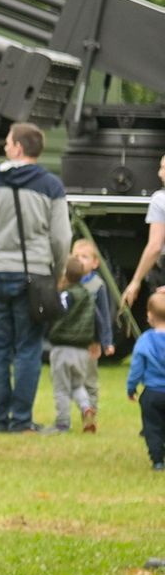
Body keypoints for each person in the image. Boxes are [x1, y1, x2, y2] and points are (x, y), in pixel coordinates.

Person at [0, 122, 71, 435]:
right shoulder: (51, 184)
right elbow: (61, 237)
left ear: (18, 147)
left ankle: (0, 419)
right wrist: (57, 272)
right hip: (34, 274)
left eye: (8, 142)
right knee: (28, 348)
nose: (5, 147)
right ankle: (21, 419)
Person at [46, 255, 99, 434]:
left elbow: (57, 313)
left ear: (65, 275)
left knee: (61, 388)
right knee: (77, 385)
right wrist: (97, 340)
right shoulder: (88, 296)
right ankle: (87, 408)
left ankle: (62, 423)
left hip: (62, 348)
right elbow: (97, 319)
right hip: (82, 350)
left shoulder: (65, 295)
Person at [71, 238, 116, 433]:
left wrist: (105, 342)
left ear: (95, 262)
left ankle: (90, 416)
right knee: (71, 380)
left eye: (85, 257)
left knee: (89, 380)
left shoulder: (98, 286)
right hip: (70, 341)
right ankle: (81, 409)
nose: (80, 260)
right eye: (76, 256)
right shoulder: (67, 282)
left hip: (90, 342)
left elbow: (104, 317)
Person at [120, 154, 165, 312]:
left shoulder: (160, 200)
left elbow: (155, 246)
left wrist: (135, 281)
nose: (159, 173)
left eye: (163, 168)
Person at [126, 289, 165, 471]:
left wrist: (131, 387)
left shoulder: (145, 340)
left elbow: (136, 368)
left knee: (152, 427)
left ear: (150, 316)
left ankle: (157, 460)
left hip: (152, 393)